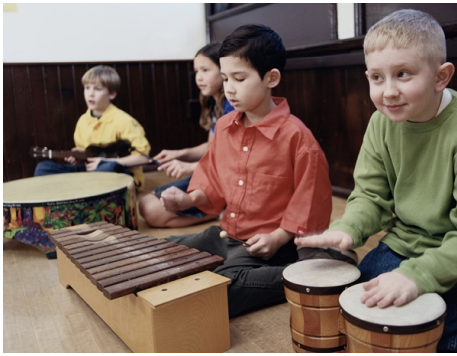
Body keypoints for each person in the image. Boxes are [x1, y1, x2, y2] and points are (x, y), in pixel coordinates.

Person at [295, 9, 457, 352]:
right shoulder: (381, 123)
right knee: (358, 307)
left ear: (441, 77)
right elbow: (370, 195)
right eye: (377, 77)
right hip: (409, 239)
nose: (388, 92)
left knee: (432, 337)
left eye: (403, 74)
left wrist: (418, 277)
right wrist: (348, 227)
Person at [160, 24, 337, 318]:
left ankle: (308, 273)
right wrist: (187, 201)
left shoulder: (297, 138)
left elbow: (310, 201)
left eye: (239, 78)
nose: (229, 88)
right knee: (165, 252)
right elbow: (214, 182)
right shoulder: (226, 128)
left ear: (271, 78)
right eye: (226, 77)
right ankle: (235, 266)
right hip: (228, 234)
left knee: (220, 293)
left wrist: (278, 237)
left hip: (270, 245)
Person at [139, 43, 234, 227]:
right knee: (147, 204)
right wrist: (179, 153)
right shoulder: (216, 106)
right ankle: (217, 211)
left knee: (151, 208)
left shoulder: (233, 107)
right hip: (211, 174)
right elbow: (211, 146)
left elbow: (232, 159)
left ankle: (219, 211)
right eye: (196, 71)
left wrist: (191, 168)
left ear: (224, 71)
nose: (199, 78)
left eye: (205, 70)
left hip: (223, 180)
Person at [33, 65, 151, 187]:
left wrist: (107, 162)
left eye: (98, 89)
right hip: (89, 173)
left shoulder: (125, 121)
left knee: (106, 169)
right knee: (43, 168)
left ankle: (79, 189)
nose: (90, 94)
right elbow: (87, 156)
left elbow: (144, 158)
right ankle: (80, 189)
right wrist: (79, 156)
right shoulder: (83, 121)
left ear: (112, 94)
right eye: (87, 88)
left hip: (119, 174)